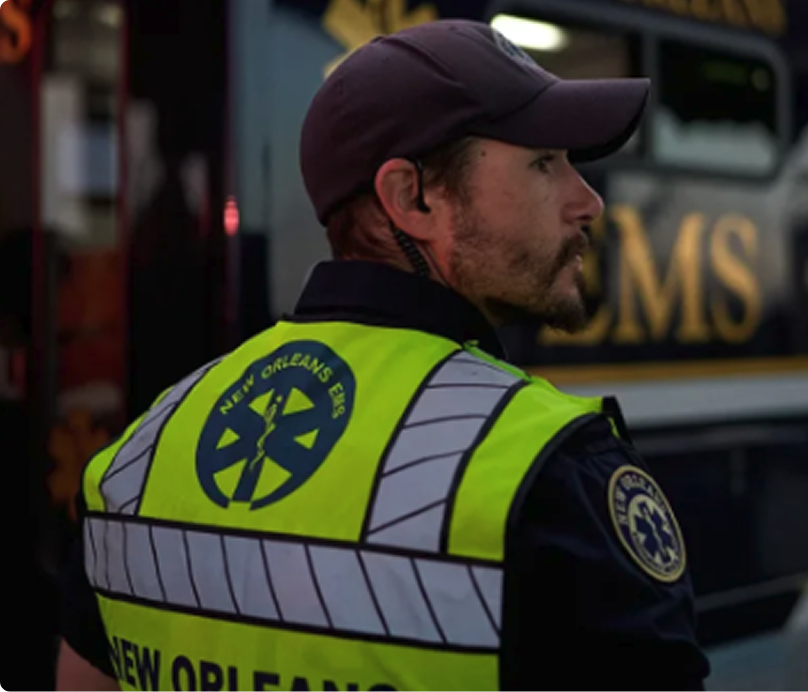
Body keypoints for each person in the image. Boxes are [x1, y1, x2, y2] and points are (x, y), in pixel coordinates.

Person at [56, 19, 711, 692]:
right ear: (412, 197)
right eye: (543, 162)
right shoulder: (544, 472)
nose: (589, 201)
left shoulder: (141, 455)